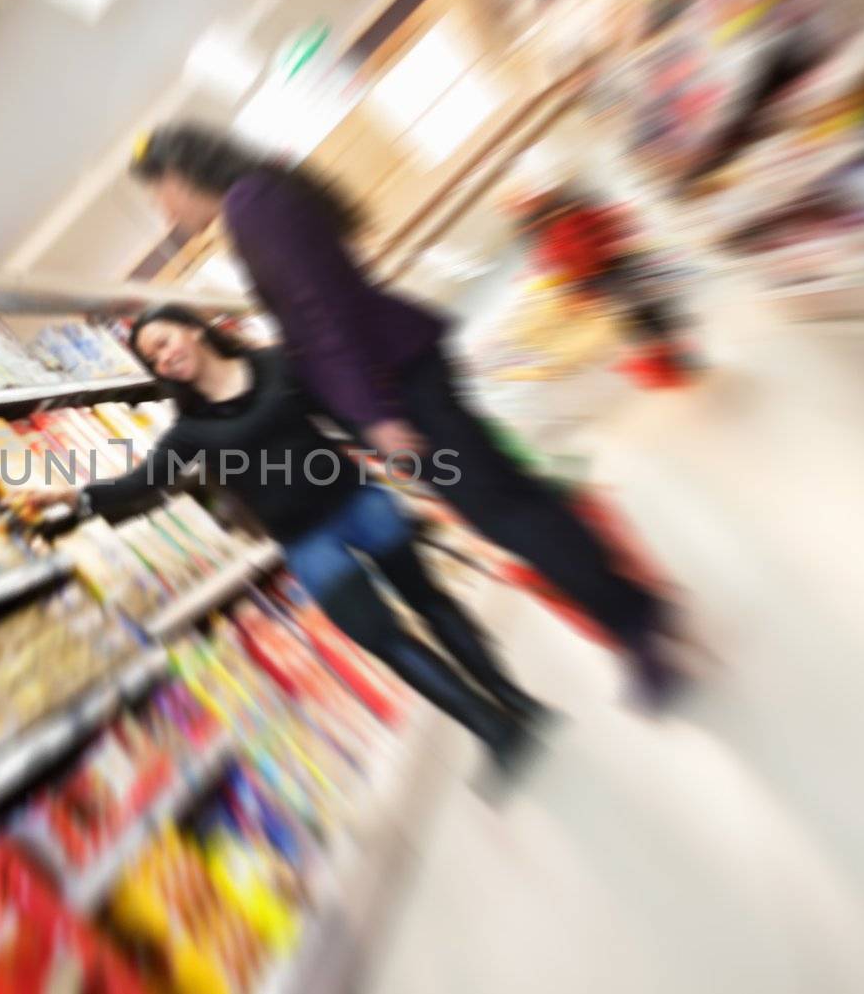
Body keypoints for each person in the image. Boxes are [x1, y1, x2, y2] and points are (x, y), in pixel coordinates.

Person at [130, 124, 681, 706]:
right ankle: (638, 607)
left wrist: (373, 413)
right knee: (513, 499)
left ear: (179, 175)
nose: (163, 212)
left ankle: (636, 625)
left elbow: (322, 316)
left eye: (157, 195)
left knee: (507, 512)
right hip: (402, 371)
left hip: (397, 387)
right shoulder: (262, 193)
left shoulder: (250, 208)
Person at [22, 306, 550, 773]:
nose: (162, 359)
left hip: (361, 503)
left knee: (431, 601)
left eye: (163, 342)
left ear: (193, 330)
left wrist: (399, 442)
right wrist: (75, 496)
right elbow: (141, 483)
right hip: (307, 544)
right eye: (152, 359)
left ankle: (514, 699)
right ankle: (494, 729)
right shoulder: (191, 431)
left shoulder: (278, 364)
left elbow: (344, 411)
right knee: (385, 639)